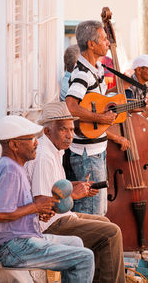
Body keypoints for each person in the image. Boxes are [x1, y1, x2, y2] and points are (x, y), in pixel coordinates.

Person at [25, 101, 126, 283]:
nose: (70, 135)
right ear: (48, 131)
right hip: (49, 223)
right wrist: (73, 194)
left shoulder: (55, 150)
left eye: (72, 130)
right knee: (111, 233)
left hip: (60, 216)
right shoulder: (44, 156)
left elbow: (53, 186)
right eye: (64, 130)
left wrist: (74, 185)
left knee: (105, 222)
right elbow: (41, 202)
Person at [0, 115, 95, 283]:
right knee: (85, 258)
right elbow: (0, 214)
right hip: (13, 247)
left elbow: (13, 209)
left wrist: (35, 214)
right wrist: (36, 207)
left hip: (19, 241)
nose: (37, 143)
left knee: (76, 242)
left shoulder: (11, 166)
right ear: (14, 145)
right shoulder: (10, 170)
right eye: (30, 139)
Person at [65, 20, 130, 215]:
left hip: (97, 149)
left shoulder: (98, 69)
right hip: (87, 154)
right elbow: (71, 105)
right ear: (91, 44)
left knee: (99, 209)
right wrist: (99, 119)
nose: (108, 43)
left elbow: (97, 99)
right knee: (92, 212)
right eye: (103, 39)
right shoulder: (82, 74)